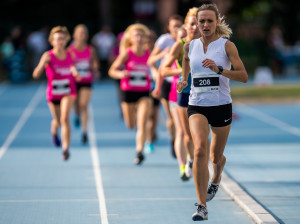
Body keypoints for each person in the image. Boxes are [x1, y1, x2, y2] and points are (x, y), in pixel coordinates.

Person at [177, 4, 248, 221]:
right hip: (197, 105)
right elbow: (186, 65)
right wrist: (183, 80)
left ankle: (216, 177)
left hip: (220, 106)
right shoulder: (189, 46)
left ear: (217, 22)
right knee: (199, 150)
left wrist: (219, 70)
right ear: (196, 23)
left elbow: (243, 76)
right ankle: (201, 206)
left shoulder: (227, 47)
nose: (205, 25)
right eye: (202, 21)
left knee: (215, 156)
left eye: (209, 21)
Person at [161, 7, 200, 180]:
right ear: (186, 25)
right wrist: (180, 72)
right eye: (192, 23)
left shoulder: (209, 43)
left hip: (204, 94)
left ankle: (200, 163)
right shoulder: (180, 45)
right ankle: (189, 160)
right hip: (184, 93)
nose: (196, 27)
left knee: (201, 135)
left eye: (200, 23)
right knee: (186, 135)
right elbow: (163, 69)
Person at [33, 26, 81, 161]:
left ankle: (65, 149)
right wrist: (42, 64)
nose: (60, 42)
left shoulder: (70, 54)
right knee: (58, 121)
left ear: (66, 41)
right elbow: (35, 75)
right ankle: (54, 129)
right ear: (52, 41)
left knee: (65, 119)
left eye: (63, 39)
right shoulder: (48, 56)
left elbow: (72, 66)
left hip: (68, 90)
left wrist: (75, 72)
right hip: (53, 93)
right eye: (58, 39)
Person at [108, 23, 152, 165]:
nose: (139, 38)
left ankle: (139, 151)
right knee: (131, 125)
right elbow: (111, 71)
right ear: (131, 39)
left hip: (144, 91)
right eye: (136, 35)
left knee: (142, 122)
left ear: (145, 38)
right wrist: (122, 73)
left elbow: (155, 69)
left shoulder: (148, 53)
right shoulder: (127, 53)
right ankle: (139, 147)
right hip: (128, 91)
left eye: (141, 35)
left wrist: (156, 76)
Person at [148, 15, 183, 158]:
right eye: (173, 26)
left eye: (179, 25)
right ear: (168, 27)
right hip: (167, 82)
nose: (176, 28)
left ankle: (182, 140)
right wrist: (157, 73)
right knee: (171, 117)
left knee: (182, 117)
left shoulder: (187, 38)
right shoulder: (164, 40)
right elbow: (151, 60)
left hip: (182, 82)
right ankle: (173, 140)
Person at [161, 25, 189, 180]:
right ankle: (182, 166)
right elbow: (162, 71)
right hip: (175, 96)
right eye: (181, 36)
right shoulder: (174, 51)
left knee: (192, 134)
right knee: (181, 131)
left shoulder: (195, 49)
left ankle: (193, 161)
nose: (184, 38)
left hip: (193, 95)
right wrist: (183, 70)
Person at [68, 24, 100, 144]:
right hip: (73, 81)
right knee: (75, 106)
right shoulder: (70, 50)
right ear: (74, 35)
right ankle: (76, 116)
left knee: (83, 105)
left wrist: (96, 70)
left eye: (84, 33)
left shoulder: (90, 49)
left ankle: (85, 131)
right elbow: (67, 64)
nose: (82, 35)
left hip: (86, 80)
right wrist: (73, 70)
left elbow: (94, 62)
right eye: (80, 33)